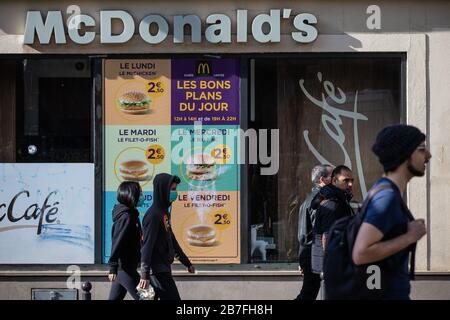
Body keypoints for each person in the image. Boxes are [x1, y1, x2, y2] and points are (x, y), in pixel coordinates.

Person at [352, 124, 430, 300]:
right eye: (422, 149)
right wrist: (410, 236)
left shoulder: (386, 192)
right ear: (404, 154)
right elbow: (361, 253)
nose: (428, 155)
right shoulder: (386, 198)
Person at [138, 173, 195, 300]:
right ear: (162, 190)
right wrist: (144, 274)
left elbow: (172, 240)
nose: (175, 193)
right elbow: (147, 247)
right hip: (157, 271)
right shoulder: (153, 215)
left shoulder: (163, 213)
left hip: (163, 268)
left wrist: (186, 263)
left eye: (175, 189)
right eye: (173, 189)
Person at [295, 164, 333, 300]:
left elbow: (302, 233)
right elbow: (321, 231)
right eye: (332, 176)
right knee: (308, 293)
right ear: (323, 179)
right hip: (314, 254)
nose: (335, 180)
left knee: (309, 292)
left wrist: (302, 259)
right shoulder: (320, 201)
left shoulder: (309, 199)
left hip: (309, 254)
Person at [311, 165, 355, 275]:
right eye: (345, 180)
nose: (350, 184)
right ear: (334, 180)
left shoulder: (338, 200)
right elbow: (327, 237)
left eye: (352, 180)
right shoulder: (332, 204)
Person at [108, 181, 144, 300]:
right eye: (140, 193)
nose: (142, 196)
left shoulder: (132, 215)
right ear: (132, 195)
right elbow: (117, 241)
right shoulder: (126, 218)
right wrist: (113, 267)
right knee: (148, 297)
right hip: (125, 269)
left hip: (126, 268)